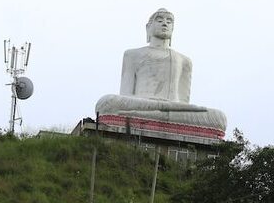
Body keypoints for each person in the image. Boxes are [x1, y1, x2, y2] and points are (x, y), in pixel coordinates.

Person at [95, 8, 226, 132]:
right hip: (140, 104)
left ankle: (156, 116)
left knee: (219, 117)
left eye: (169, 22)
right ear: (148, 27)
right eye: (159, 20)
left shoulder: (184, 60)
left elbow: (183, 102)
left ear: (173, 28)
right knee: (107, 102)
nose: (165, 24)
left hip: (173, 110)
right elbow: (125, 95)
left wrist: (171, 108)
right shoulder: (132, 54)